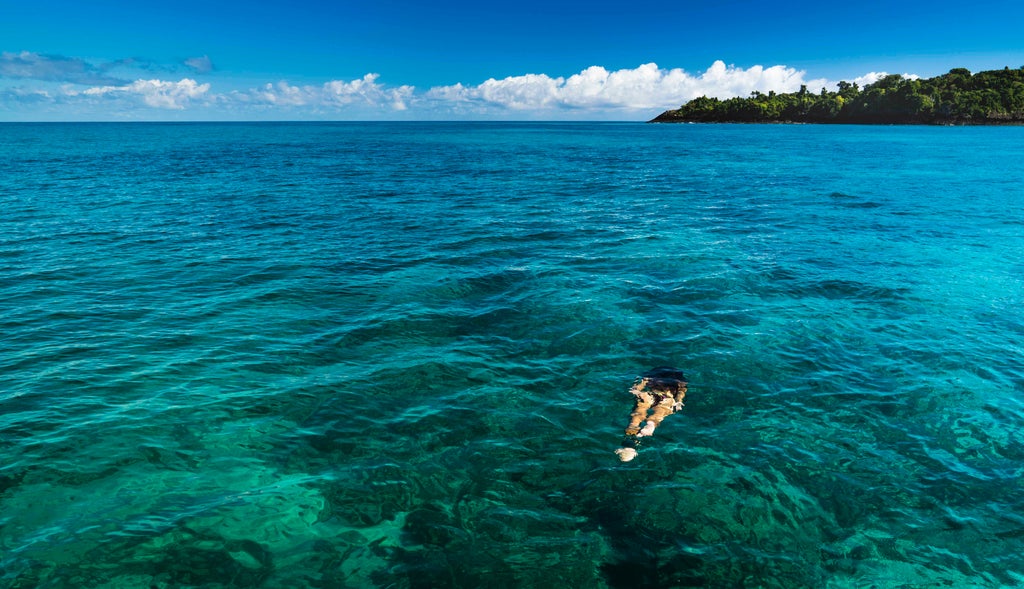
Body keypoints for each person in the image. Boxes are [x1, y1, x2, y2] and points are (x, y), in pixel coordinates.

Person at [615, 367, 688, 462]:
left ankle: (632, 432)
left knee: (638, 412)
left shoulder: (650, 377)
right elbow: (682, 391)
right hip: (666, 398)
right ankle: (651, 424)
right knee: (660, 411)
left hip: (649, 395)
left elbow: (642, 381)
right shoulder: (680, 382)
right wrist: (678, 401)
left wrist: (636, 389)